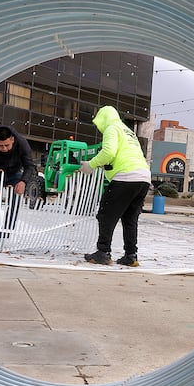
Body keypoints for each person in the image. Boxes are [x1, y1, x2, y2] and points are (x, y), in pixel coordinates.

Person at [80, 106, 151, 266]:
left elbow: (108, 152)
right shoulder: (128, 131)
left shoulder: (112, 128)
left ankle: (103, 252)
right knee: (130, 219)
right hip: (143, 177)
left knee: (106, 214)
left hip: (126, 176)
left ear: (103, 119)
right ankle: (131, 256)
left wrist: (90, 165)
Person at [0, 126, 37, 240]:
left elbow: (29, 166)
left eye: (7, 145)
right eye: (0, 146)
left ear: (12, 140)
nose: (4, 149)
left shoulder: (22, 143)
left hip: (15, 172)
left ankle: (6, 234)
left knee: (15, 203)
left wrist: (23, 182)